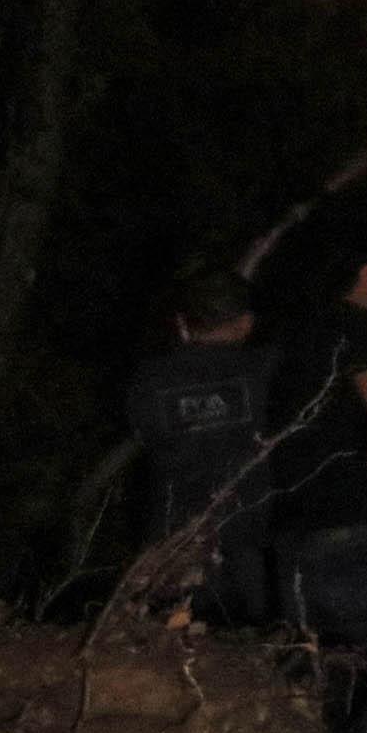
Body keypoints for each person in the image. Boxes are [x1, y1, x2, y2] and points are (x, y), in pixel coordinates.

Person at [267, 250, 367, 733]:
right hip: (356, 516)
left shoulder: (292, 333)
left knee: (309, 672)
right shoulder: (357, 331)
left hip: (295, 520)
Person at [125, 267, 280, 624]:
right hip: (246, 539)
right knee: (242, 653)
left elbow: (145, 435)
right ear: (246, 323)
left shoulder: (148, 379)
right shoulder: (264, 370)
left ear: (182, 323)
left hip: (171, 540)